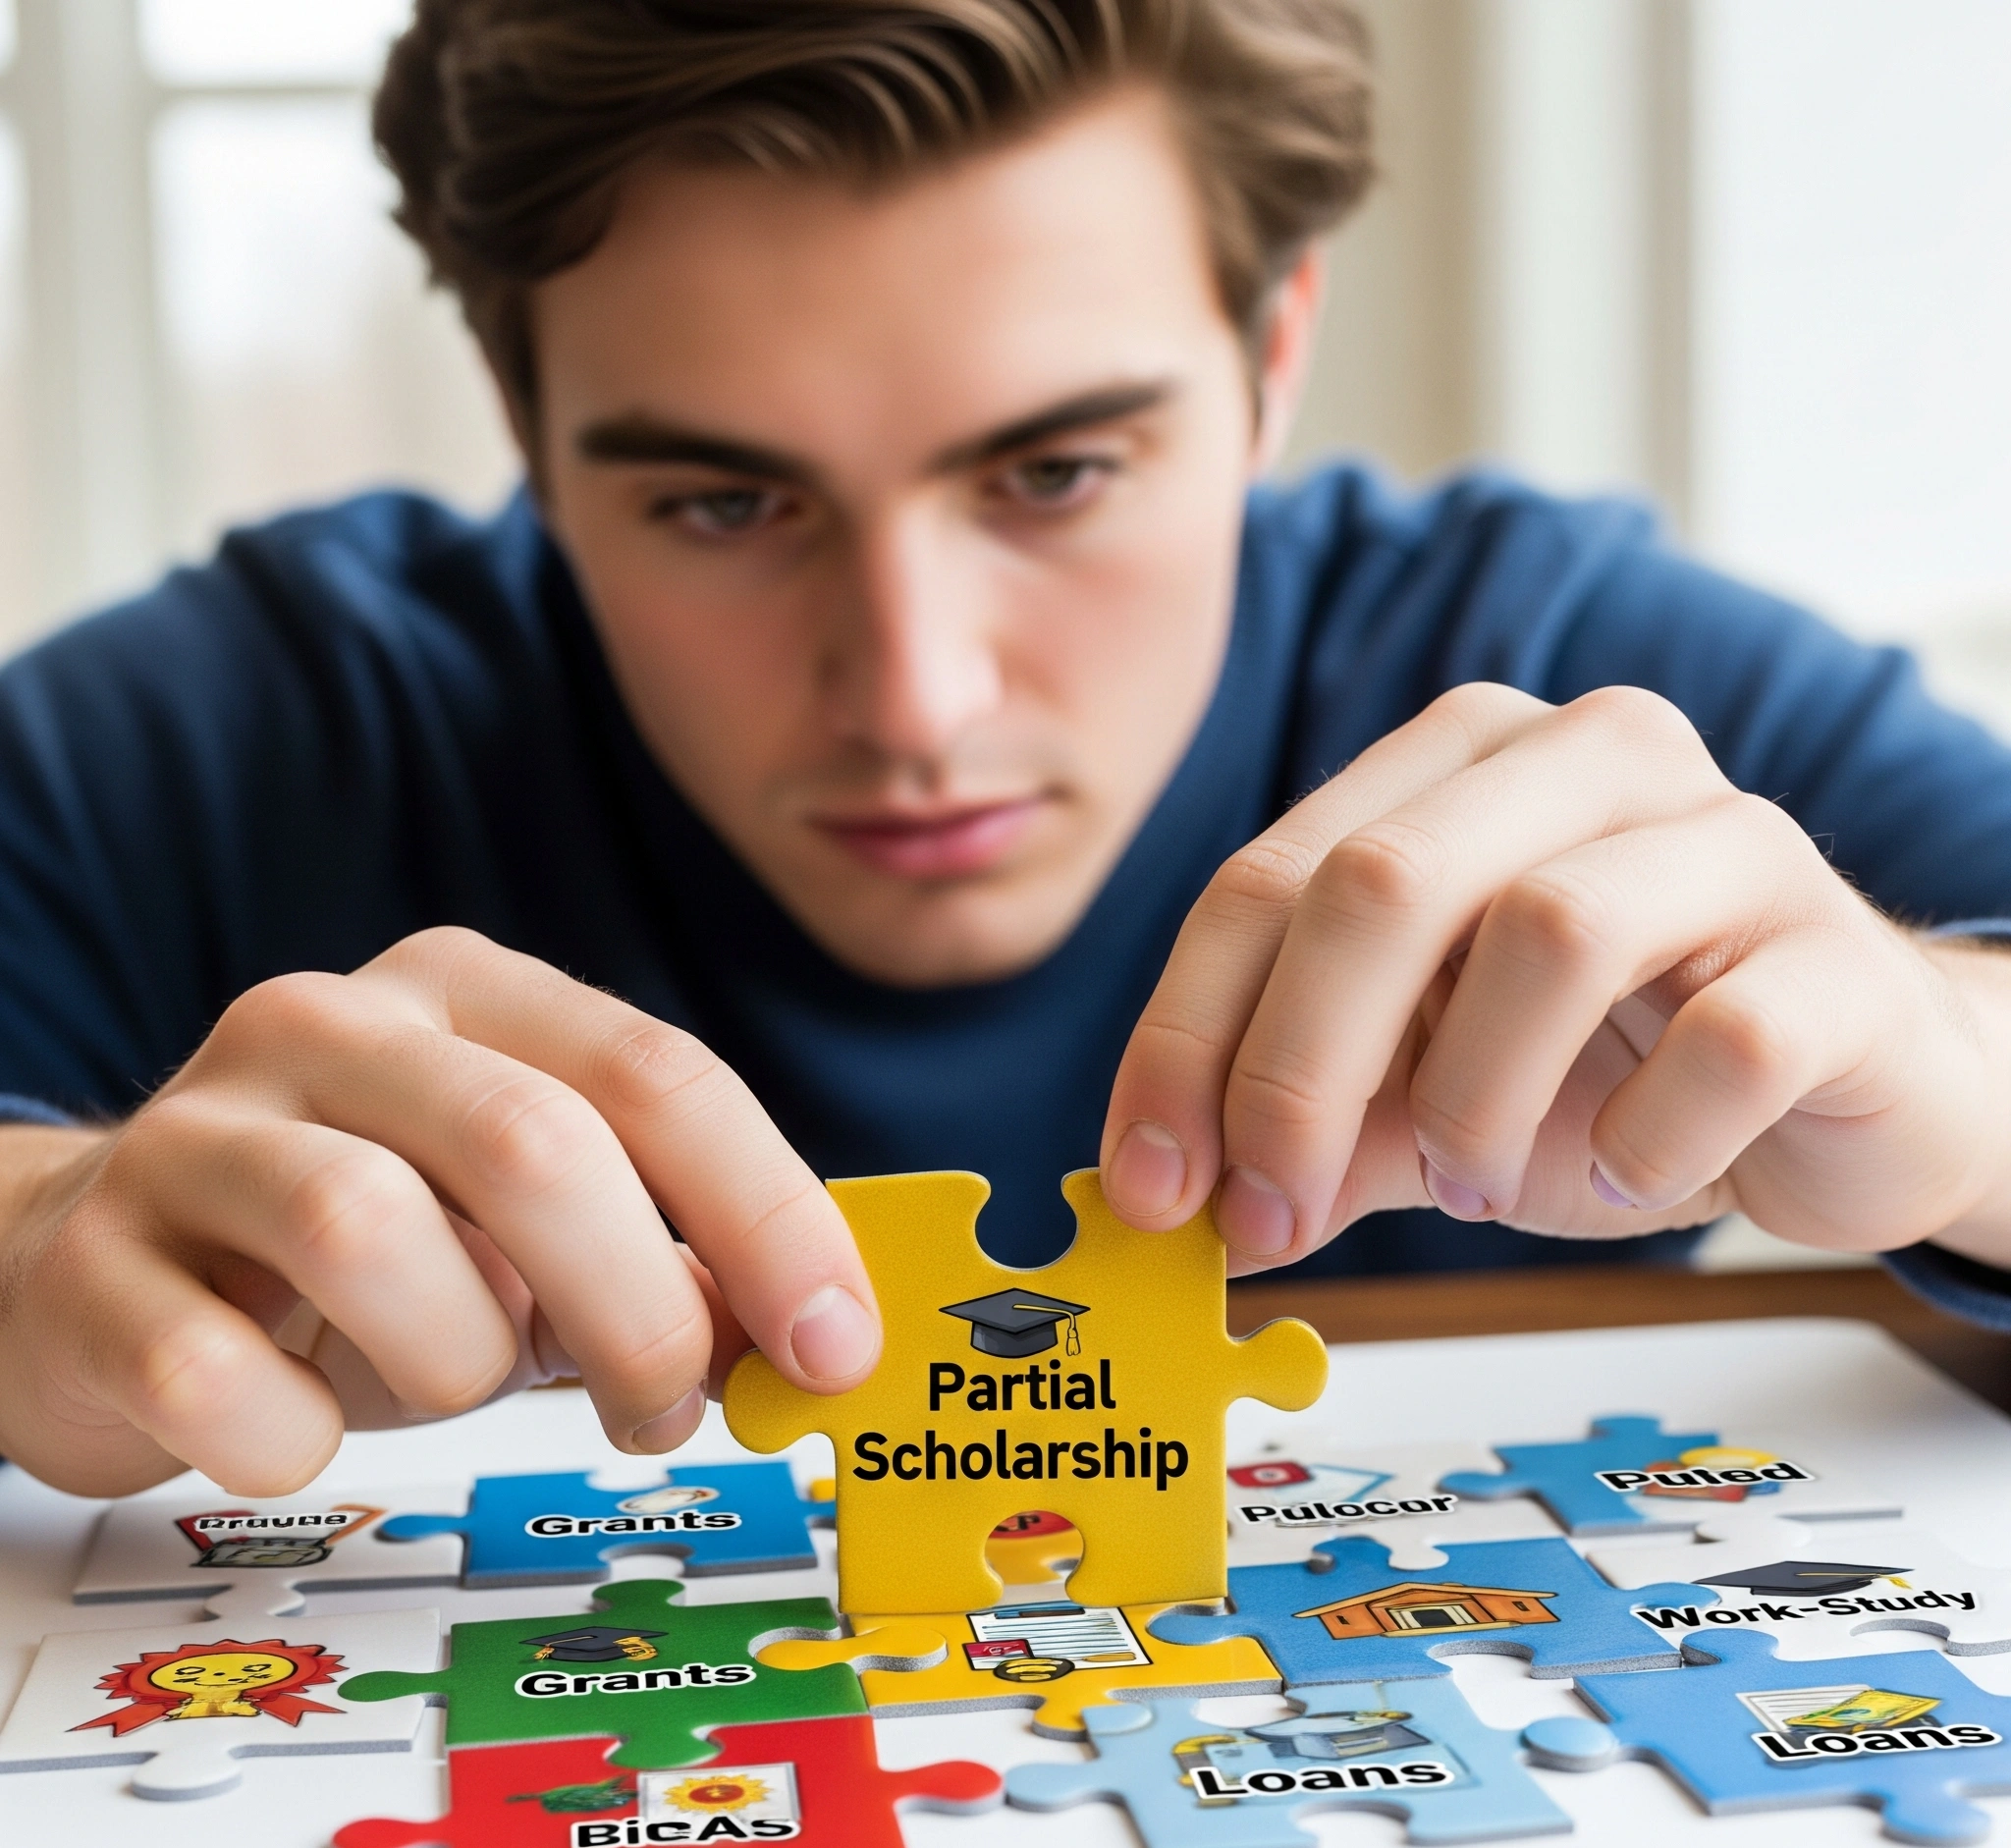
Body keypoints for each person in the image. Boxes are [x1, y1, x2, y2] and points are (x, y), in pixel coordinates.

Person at [2, 0, 2010, 1502]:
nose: (917, 694)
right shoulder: (184, 738)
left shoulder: (1575, 667)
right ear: (526, 435)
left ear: (1270, 354)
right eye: (722, 503)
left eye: (1055, 469)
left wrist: (1960, 1079)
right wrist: (26, 1265)